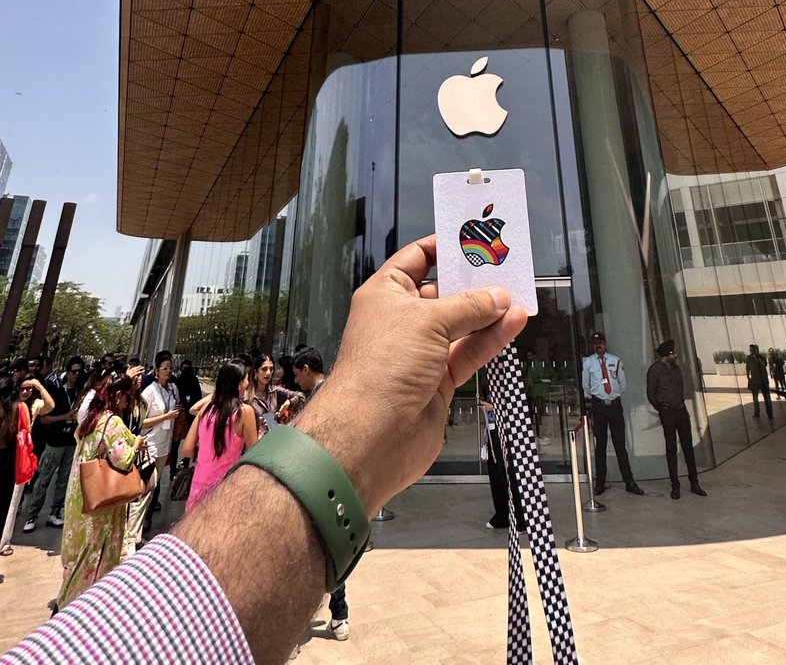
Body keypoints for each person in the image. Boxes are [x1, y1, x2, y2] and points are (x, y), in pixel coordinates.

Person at [1, 234, 527, 665]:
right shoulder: (240, 410)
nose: (274, 371)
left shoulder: (215, 408)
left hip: (215, 509)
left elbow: (186, 451)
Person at [57, 375, 146, 608]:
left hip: (80, 493)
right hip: (101, 502)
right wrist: (136, 443)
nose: (128, 403)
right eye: (127, 398)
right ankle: (82, 605)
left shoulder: (90, 419)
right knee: (96, 553)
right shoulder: (112, 421)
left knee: (80, 554)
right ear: (118, 396)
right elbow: (123, 459)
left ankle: (67, 600)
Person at [293, 346, 350, 642]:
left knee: (326, 549)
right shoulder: (324, 392)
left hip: (324, 480)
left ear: (306, 368)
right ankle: (336, 614)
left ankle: (338, 614)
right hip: (325, 479)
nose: (295, 380)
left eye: (296, 373)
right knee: (328, 549)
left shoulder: (326, 394)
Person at [22, 356, 85, 533]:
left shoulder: (80, 394)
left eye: (80, 371)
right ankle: (32, 514)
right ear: (68, 371)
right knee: (44, 480)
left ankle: (55, 512)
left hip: (71, 443)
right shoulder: (57, 392)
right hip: (54, 443)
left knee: (63, 481)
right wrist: (64, 417)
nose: (77, 375)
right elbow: (44, 419)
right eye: (74, 371)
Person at [183, 361, 257, 512]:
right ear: (238, 383)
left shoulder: (205, 409)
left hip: (199, 484)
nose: (248, 383)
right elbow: (254, 452)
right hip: (226, 487)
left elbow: (187, 450)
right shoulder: (245, 412)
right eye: (246, 379)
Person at [124, 356, 180, 553]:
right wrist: (165, 417)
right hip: (149, 446)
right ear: (156, 371)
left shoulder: (173, 389)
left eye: (170, 368)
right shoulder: (149, 392)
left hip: (165, 444)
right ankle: (132, 535)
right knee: (142, 490)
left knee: (152, 488)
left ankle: (138, 529)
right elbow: (141, 422)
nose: (168, 371)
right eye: (164, 368)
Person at [581, 332, 643, 496]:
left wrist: (611, 395)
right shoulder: (588, 363)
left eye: (600, 342)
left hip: (614, 406)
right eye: (595, 343)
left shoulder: (615, 361)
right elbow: (585, 385)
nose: (598, 345)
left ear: (605, 344)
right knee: (600, 445)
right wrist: (598, 396)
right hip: (599, 407)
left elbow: (622, 384)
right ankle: (600, 482)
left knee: (620, 445)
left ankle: (629, 481)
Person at [1, 372, 54, 556]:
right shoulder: (16, 408)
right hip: (13, 458)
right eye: (22, 388)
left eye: (29, 388)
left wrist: (39, 386)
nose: (25, 391)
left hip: (19, 459)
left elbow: (50, 406)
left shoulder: (32, 405)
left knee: (13, 502)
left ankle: (4, 541)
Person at [646, 340, 707, 499]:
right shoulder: (655, 370)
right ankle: (675, 485)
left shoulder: (676, 369)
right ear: (665, 356)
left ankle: (694, 482)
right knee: (671, 449)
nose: (675, 355)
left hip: (681, 410)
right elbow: (651, 393)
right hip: (668, 412)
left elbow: (681, 387)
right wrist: (662, 408)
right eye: (672, 353)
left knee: (688, 446)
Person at [481, 394, 526, 532]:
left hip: (508, 431)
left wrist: (494, 408)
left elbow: (518, 405)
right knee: (495, 472)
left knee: (510, 473)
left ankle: (521, 518)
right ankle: (502, 515)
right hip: (493, 430)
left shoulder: (512, 378)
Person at [171, 358, 203, 480]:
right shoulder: (190, 380)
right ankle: (184, 463)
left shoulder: (179, 380)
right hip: (185, 416)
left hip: (184, 415)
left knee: (178, 442)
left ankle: (177, 467)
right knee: (185, 440)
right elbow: (199, 398)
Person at [246, 353, 295, 432]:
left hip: (273, 439)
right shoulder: (246, 397)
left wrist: (289, 402)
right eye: (264, 369)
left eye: (271, 369)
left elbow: (300, 396)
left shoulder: (275, 391)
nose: (268, 373)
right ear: (256, 372)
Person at [745, 344, 773, 420]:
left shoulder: (761, 357)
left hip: (763, 380)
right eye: (750, 350)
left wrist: (757, 358)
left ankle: (770, 414)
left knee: (767, 397)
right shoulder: (749, 358)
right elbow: (748, 368)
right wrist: (748, 376)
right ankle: (757, 413)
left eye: (753, 350)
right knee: (755, 397)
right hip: (755, 380)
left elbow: (764, 364)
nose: (751, 351)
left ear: (756, 350)